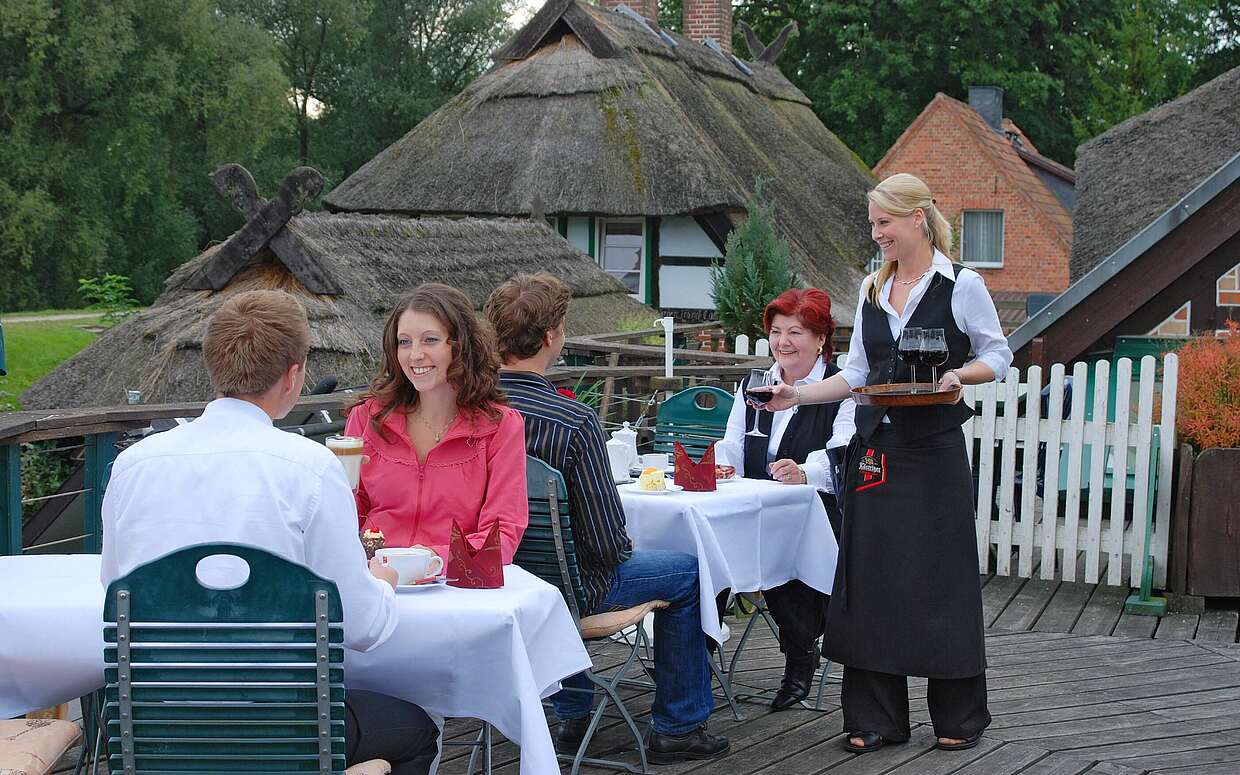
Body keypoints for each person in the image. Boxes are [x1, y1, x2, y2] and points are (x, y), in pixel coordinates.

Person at [100, 289, 439, 774]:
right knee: (414, 730)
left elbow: (116, 593)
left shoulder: (131, 466)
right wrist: (381, 587)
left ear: (214, 367)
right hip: (284, 728)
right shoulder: (310, 468)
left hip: (157, 727)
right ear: (294, 374)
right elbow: (361, 628)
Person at [754, 173, 1011, 753]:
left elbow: (999, 354)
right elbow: (859, 376)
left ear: (917, 217)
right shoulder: (871, 287)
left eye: (883, 223)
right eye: (873, 224)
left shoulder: (962, 284)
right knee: (870, 580)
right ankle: (878, 718)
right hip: (876, 450)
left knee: (941, 577)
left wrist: (958, 375)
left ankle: (957, 717)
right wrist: (797, 395)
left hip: (937, 447)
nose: (877, 234)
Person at [484, 274, 729, 764]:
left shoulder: (472, 410)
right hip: (572, 590)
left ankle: (571, 708)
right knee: (687, 571)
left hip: (499, 581)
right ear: (553, 336)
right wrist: (625, 549)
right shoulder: (572, 421)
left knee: (557, 569)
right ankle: (679, 724)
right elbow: (604, 545)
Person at [715, 287, 855, 711]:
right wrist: (724, 469)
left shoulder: (841, 388)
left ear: (820, 339)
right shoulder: (755, 384)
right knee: (707, 554)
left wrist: (804, 472)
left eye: (796, 332)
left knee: (777, 554)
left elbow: (843, 451)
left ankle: (799, 655)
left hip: (816, 511)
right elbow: (732, 445)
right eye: (777, 331)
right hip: (755, 506)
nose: (783, 342)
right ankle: (695, 658)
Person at [345, 283, 527, 564]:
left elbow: (500, 537)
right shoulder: (366, 418)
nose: (415, 354)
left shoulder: (501, 427)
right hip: (375, 581)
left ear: (461, 345)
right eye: (404, 342)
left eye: (429, 340)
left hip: (455, 586)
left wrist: (431, 560)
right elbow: (343, 514)